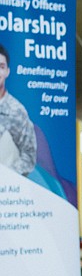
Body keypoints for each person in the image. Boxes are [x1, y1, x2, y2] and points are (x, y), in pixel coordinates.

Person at [0, 43, 37, 176]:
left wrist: (9, 175)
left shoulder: (16, 111)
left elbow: (29, 155)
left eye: (1, 67)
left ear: (7, 71)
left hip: (8, 191)